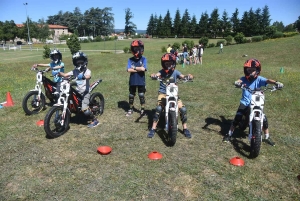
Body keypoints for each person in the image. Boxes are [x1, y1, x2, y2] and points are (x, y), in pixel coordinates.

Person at [223, 59, 284, 146]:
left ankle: (267, 137)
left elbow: (267, 81)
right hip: (245, 102)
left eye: (253, 70)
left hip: (256, 103)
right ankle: (229, 134)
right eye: (249, 70)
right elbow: (239, 81)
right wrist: (237, 83)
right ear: (245, 71)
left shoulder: (259, 79)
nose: (251, 72)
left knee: (264, 119)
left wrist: (276, 82)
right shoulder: (243, 79)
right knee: (238, 117)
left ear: (257, 71)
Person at [147, 53, 192, 138]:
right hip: (163, 93)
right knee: (159, 108)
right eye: (166, 63)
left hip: (174, 94)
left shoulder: (176, 72)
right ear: (163, 64)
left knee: (183, 109)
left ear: (174, 63)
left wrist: (188, 76)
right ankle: (153, 128)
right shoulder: (161, 72)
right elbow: (157, 74)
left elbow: (182, 76)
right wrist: (153, 75)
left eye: (170, 63)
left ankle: (185, 128)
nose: (168, 65)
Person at [58, 51, 99, 128]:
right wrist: (60, 74)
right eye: (77, 61)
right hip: (78, 91)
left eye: (81, 60)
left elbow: (88, 76)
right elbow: (66, 74)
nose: (79, 62)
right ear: (75, 62)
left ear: (85, 61)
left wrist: (83, 77)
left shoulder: (87, 70)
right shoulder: (75, 71)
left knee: (85, 110)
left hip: (85, 92)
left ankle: (95, 120)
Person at [126, 40, 148, 117]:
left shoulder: (144, 59)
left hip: (141, 80)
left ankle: (142, 109)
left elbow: (144, 69)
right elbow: (128, 70)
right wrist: (139, 68)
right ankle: (130, 108)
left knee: (141, 95)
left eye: (138, 48)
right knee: (131, 95)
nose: (136, 50)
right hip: (133, 80)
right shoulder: (130, 59)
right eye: (135, 48)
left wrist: (134, 68)